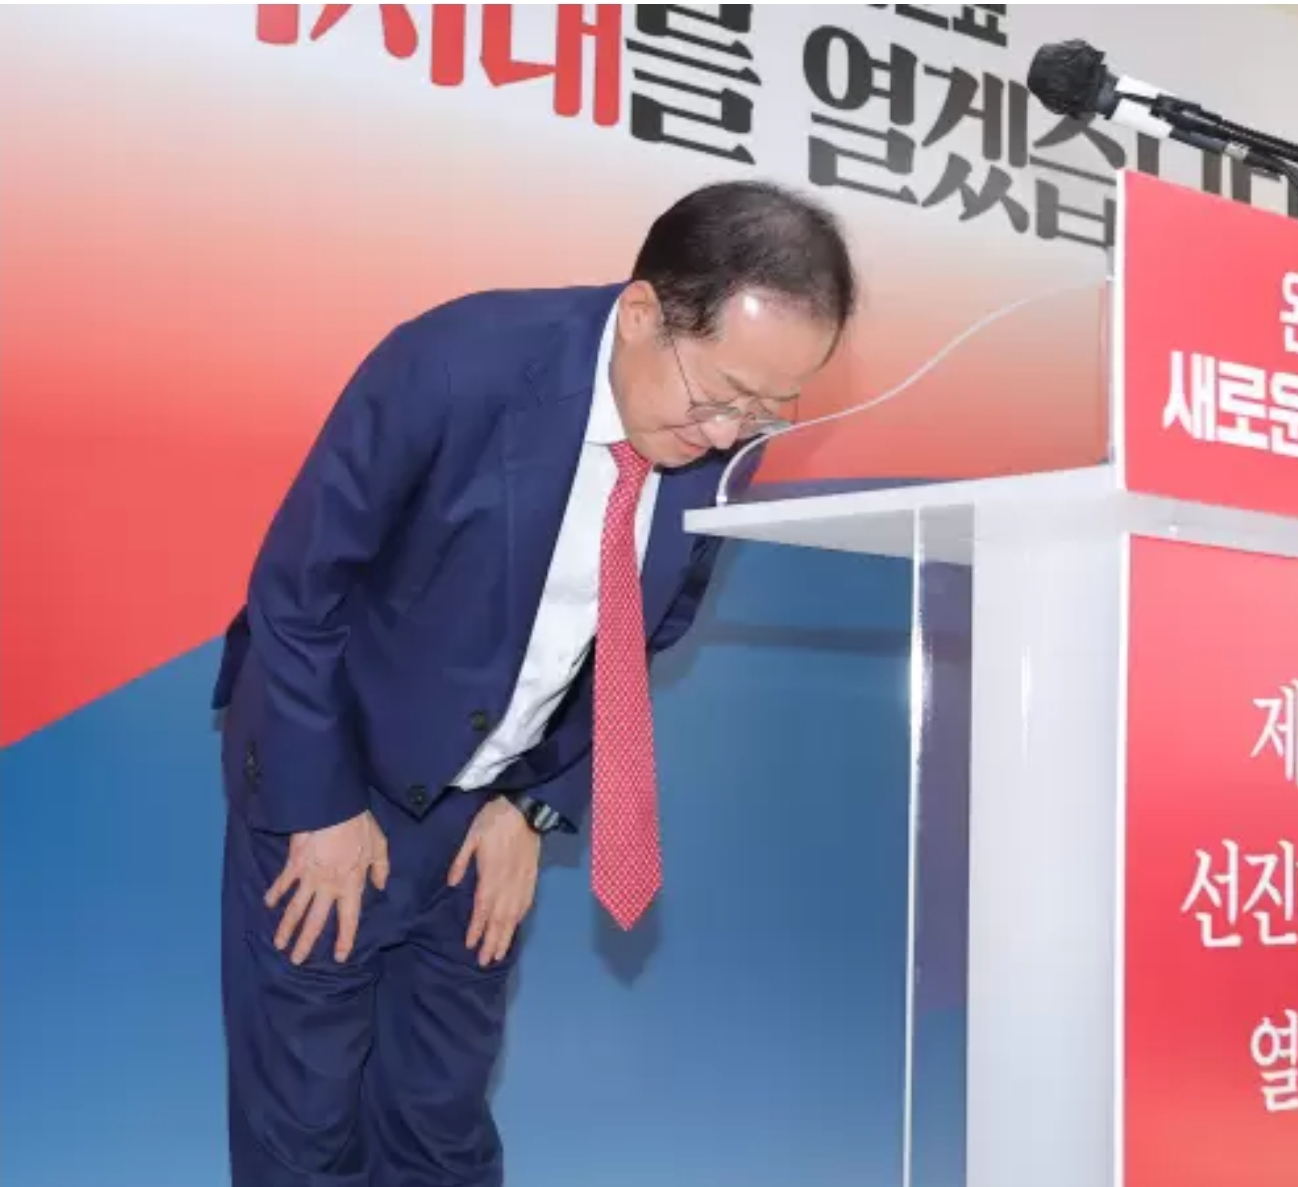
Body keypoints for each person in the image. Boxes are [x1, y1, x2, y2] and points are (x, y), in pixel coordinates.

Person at [212, 180, 858, 1187]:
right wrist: (321, 806)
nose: (734, 432)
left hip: (486, 818)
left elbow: (639, 635)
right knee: (307, 1127)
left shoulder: (714, 444)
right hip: (338, 785)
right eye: (723, 394)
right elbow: (299, 592)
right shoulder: (454, 365)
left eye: (773, 408)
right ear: (642, 314)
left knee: (441, 1126)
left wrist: (533, 804)